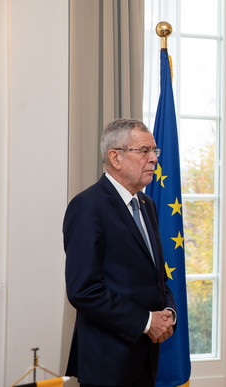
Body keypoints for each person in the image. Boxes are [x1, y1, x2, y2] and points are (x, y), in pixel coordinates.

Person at [64, 119, 176, 387]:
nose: (153, 160)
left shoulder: (147, 204)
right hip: (107, 365)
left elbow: (156, 275)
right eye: (144, 151)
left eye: (155, 152)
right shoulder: (87, 207)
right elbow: (84, 290)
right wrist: (147, 321)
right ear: (115, 157)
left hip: (145, 359)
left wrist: (168, 311)